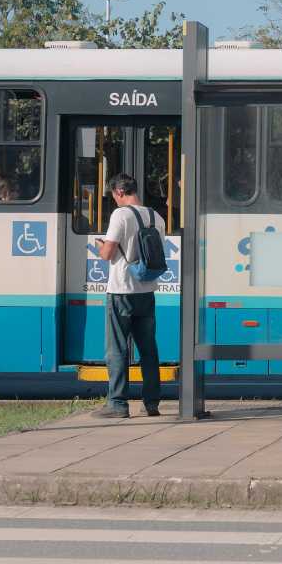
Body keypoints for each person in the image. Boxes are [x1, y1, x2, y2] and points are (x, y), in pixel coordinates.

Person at [93, 173, 166, 418]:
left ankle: (117, 404)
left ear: (120, 192)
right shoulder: (156, 217)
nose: (114, 199)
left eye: (113, 195)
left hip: (121, 290)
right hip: (146, 291)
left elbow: (107, 254)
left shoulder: (120, 215)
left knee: (116, 349)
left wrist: (100, 246)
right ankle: (152, 403)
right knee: (148, 349)